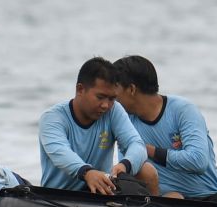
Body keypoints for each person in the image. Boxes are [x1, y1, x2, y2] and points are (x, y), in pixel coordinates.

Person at [112, 55, 217, 204]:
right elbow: (130, 169)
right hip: (165, 199)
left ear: (131, 89)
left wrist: (149, 150)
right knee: (174, 196)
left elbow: (198, 160)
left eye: (114, 91)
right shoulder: (124, 121)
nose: (111, 99)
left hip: (209, 196)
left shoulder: (183, 109)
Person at [38, 57, 159, 195]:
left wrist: (125, 165)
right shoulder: (52, 118)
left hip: (99, 193)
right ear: (80, 89)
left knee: (146, 171)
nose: (106, 105)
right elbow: (60, 152)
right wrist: (87, 173)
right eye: (100, 97)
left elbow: (136, 144)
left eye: (112, 98)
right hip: (59, 196)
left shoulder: (114, 111)